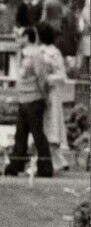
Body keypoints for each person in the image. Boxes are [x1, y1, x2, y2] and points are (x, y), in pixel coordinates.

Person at [3, 27, 53, 179]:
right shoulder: (24, 56)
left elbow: (42, 78)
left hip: (34, 99)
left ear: (27, 37)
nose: (17, 40)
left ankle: (45, 167)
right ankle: (16, 164)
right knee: (20, 134)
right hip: (24, 99)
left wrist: (44, 97)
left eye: (19, 37)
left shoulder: (36, 55)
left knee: (37, 134)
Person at [36, 21, 70, 172]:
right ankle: (57, 159)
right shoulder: (36, 51)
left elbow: (62, 75)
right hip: (38, 92)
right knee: (42, 125)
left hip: (51, 93)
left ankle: (56, 159)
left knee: (52, 125)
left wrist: (47, 79)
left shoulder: (54, 53)